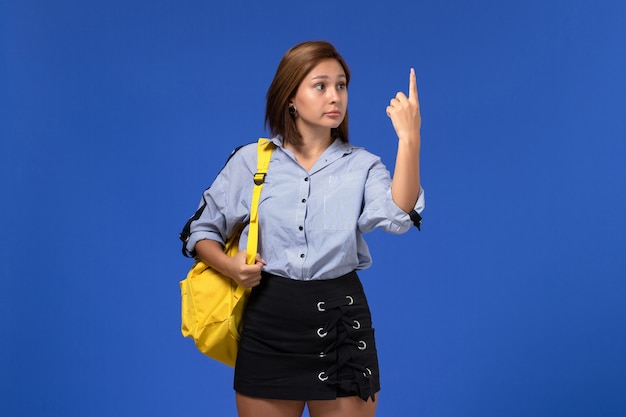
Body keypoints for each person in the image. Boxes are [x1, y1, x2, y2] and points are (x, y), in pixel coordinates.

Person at [182, 40, 424, 417]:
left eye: (341, 85)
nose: (335, 96)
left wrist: (409, 140)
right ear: (290, 97)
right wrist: (231, 269)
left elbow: (399, 214)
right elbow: (201, 231)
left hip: (343, 321)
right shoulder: (252, 161)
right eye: (321, 85)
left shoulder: (362, 165)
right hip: (269, 324)